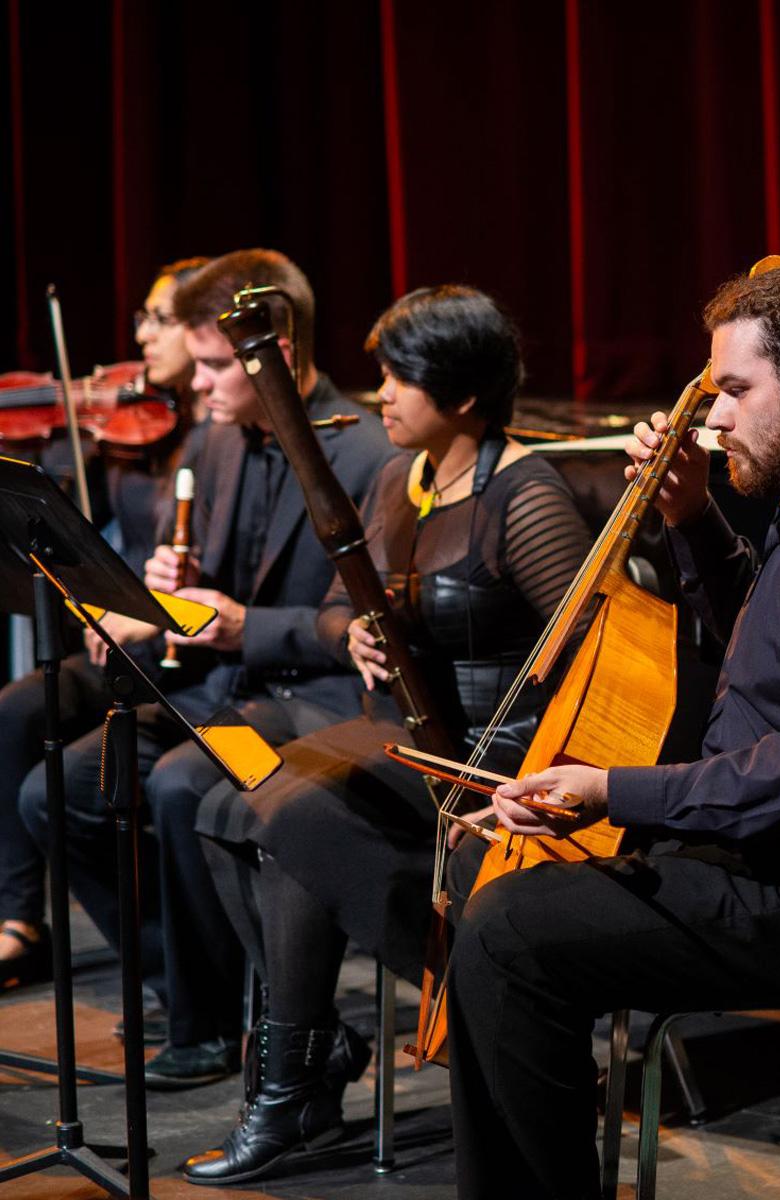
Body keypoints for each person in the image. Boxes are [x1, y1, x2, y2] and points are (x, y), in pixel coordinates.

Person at [445, 263, 780, 1198]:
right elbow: (770, 648)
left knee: (511, 935)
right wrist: (693, 519)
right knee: (483, 871)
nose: (716, 417)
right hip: (776, 859)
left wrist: (613, 789)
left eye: (735, 391)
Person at [180, 286, 593, 1186]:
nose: (381, 397)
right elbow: (338, 608)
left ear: (464, 397)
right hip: (406, 740)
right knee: (223, 801)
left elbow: (588, 654)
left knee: (290, 822)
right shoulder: (399, 479)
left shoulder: (524, 495)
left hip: (496, 755)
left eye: (399, 378)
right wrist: (349, 634)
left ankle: (293, 1084)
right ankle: (310, 1054)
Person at [16, 249, 395, 1088]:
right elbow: (203, 579)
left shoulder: (365, 453)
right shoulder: (220, 440)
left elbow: (353, 630)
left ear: (278, 355)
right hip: (227, 690)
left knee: (182, 783)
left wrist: (240, 624)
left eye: (219, 366)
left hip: (317, 702)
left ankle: (222, 1028)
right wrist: (159, 596)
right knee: (58, 791)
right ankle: (189, 985)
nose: (200, 386)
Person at [0, 255, 209, 991]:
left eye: (160, 319)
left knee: (79, 780)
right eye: (141, 320)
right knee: (18, 709)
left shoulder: (219, 439)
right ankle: (19, 919)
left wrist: (145, 616)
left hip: (186, 656)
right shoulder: (126, 441)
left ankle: (171, 973)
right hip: (125, 646)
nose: (141, 335)